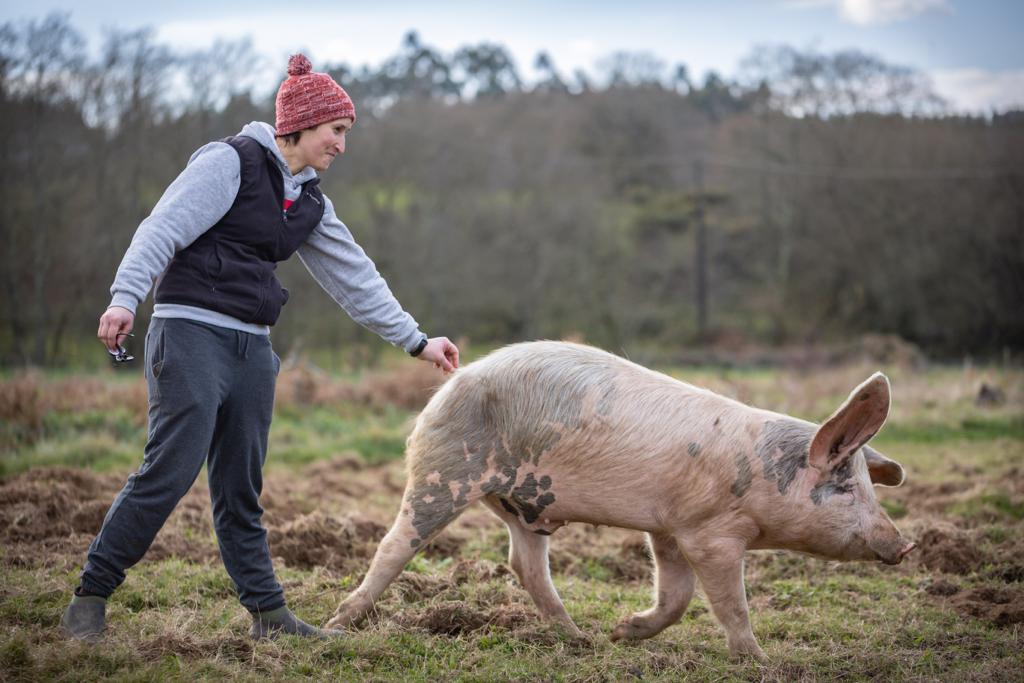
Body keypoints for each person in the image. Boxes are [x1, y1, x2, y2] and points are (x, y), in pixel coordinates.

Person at [60, 54, 459, 642]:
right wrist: (125, 297)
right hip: (190, 333)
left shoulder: (310, 201)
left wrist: (417, 341)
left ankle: (268, 616)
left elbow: (355, 277)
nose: (342, 146)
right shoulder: (231, 162)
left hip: (252, 349)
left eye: (345, 134)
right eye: (336, 132)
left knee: (240, 488)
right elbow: (161, 227)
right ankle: (89, 598)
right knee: (169, 472)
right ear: (300, 125)